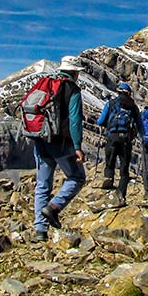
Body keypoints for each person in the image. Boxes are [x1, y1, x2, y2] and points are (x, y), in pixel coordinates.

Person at [32, 55, 86, 242]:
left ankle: (40, 231)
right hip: (60, 143)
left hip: (40, 139)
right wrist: (77, 146)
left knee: (42, 185)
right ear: (74, 72)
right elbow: (75, 119)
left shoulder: (44, 82)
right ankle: (53, 207)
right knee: (77, 177)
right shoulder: (72, 89)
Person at [96, 82, 144, 203]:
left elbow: (101, 121)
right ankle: (121, 193)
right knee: (124, 168)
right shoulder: (133, 106)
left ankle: (108, 179)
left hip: (112, 136)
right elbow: (140, 125)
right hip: (126, 139)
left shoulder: (111, 103)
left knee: (110, 161)